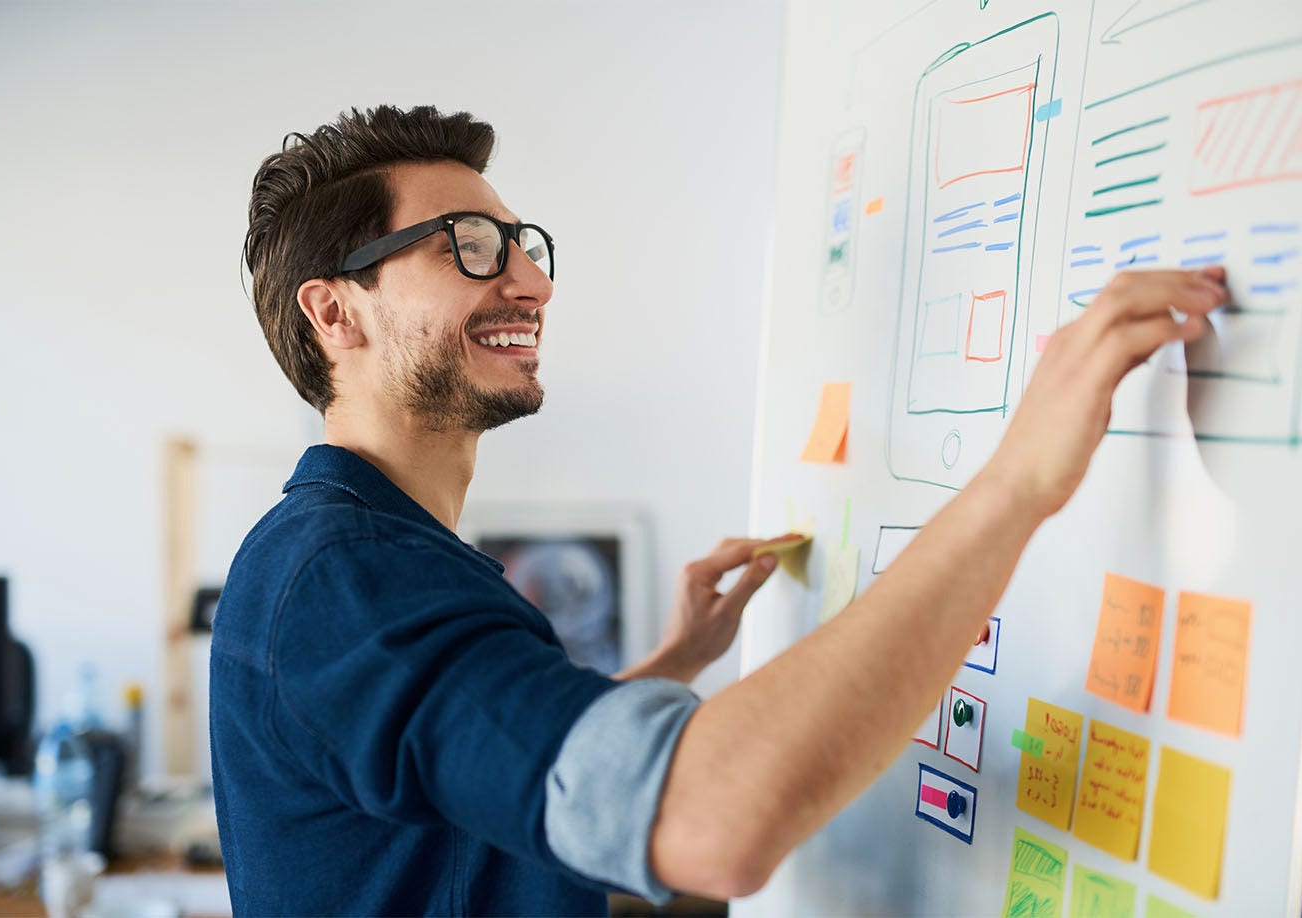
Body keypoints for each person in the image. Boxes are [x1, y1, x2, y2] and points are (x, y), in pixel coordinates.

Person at [208, 104, 1227, 915]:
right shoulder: (348, 579)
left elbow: (493, 798)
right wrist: (1020, 481)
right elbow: (706, 827)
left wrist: (670, 667)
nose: (530, 283)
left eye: (523, 245)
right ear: (334, 310)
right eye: (469, 245)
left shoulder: (362, 553)